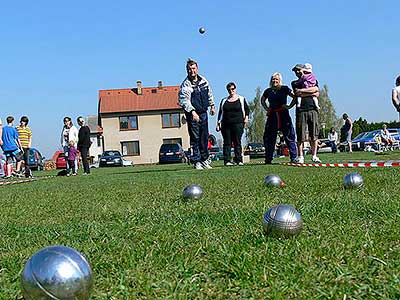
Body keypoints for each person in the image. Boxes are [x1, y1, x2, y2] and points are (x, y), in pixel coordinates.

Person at [178, 59, 215, 170]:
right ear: (187, 70)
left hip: (203, 112)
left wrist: (212, 106)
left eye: (193, 68)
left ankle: (204, 160)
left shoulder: (204, 81)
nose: (192, 71)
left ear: (197, 69)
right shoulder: (186, 84)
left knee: (204, 137)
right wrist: (193, 112)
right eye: (189, 69)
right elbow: (184, 101)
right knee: (195, 138)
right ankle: (197, 161)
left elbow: (209, 93)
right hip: (192, 114)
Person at [261, 72, 298, 164]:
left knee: (289, 135)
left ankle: (294, 157)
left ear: (280, 80)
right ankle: (268, 158)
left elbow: (295, 96)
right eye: (273, 79)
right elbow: (262, 100)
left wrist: (289, 106)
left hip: (283, 114)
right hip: (272, 115)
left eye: (276, 79)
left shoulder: (284, 89)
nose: (275, 81)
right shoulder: (268, 91)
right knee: (269, 137)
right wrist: (267, 108)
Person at [290, 64, 321, 163]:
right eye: (296, 71)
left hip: (313, 109)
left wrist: (304, 91)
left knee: (314, 134)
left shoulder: (313, 79)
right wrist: (311, 92)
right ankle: (300, 156)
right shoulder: (295, 83)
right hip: (301, 110)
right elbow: (297, 93)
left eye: (299, 70)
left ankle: (314, 155)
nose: (297, 72)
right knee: (300, 134)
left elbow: (316, 91)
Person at [216, 82, 249, 166]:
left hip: (238, 123)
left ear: (235, 89)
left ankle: (239, 160)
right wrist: (218, 123)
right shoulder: (224, 101)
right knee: (227, 143)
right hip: (226, 124)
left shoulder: (241, 99)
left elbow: (247, 109)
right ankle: (227, 160)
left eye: (232, 89)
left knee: (237, 142)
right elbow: (220, 113)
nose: (231, 91)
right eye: (229, 89)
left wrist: (246, 117)